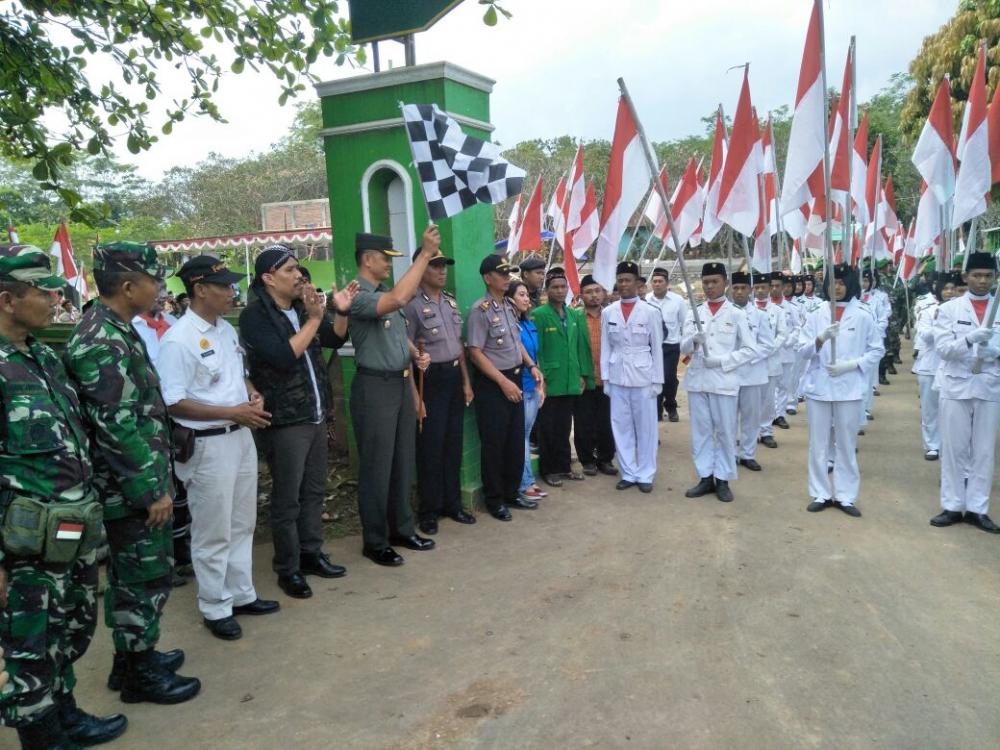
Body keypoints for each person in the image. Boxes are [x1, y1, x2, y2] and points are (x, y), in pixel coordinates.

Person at [0, 248, 129, 748]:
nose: (55, 299)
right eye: (42, 292)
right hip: (24, 545)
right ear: (8, 300)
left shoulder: (42, 357)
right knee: (30, 644)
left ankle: (65, 712)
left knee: (70, 630)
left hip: (70, 531)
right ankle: (40, 733)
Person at [64, 241, 202, 703]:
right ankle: (141, 674)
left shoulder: (117, 329)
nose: (160, 289)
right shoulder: (101, 339)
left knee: (136, 577)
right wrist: (150, 491)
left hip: (136, 482)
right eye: (153, 281)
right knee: (142, 578)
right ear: (128, 287)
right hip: (129, 489)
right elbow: (115, 425)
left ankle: (132, 659)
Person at [158, 256, 279, 640]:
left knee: (243, 521)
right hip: (208, 445)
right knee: (213, 530)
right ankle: (215, 605)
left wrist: (252, 394)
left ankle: (241, 593)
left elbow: (237, 375)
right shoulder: (178, 340)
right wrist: (231, 411)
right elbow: (173, 402)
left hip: (240, 434)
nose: (232, 292)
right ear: (199, 289)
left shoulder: (225, 329)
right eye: (224, 286)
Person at [240, 246, 355, 599]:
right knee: (288, 498)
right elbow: (282, 357)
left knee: (314, 491)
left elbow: (333, 339)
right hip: (286, 421)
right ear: (268, 278)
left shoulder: (300, 312)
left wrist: (339, 313)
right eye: (290, 270)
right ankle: (287, 568)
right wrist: (315, 319)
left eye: (299, 270)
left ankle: (310, 554)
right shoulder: (256, 316)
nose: (298, 276)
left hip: (315, 415)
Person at [349, 230, 438, 565]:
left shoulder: (384, 292)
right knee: (377, 467)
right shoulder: (358, 295)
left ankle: (401, 528)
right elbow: (400, 300)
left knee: (402, 461)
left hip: (400, 385)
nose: (388, 263)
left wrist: (415, 355)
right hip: (374, 388)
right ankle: (375, 540)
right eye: (385, 258)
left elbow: (398, 335)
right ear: (368, 258)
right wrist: (424, 256)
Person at [402, 246, 477, 535]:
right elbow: (405, 354)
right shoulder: (410, 304)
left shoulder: (450, 302)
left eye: (444, 265)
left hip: (453, 378)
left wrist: (466, 382)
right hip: (428, 381)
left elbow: (459, 347)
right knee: (430, 448)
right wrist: (416, 397)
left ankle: (452, 504)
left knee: (452, 444)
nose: (442, 270)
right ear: (421, 269)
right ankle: (429, 510)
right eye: (435, 265)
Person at [799, 264, 884, 517]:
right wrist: (820, 339)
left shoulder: (863, 314)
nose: (836, 287)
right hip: (820, 386)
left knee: (846, 443)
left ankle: (846, 495)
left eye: (841, 283)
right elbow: (801, 349)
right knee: (819, 443)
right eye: (832, 282)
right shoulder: (816, 313)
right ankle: (820, 492)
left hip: (849, 388)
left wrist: (852, 365)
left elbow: (876, 350)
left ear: (850, 284)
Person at [467, 254, 544, 520]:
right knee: (495, 445)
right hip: (493, 384)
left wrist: (531, 365)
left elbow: (515, 342)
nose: (505, 278)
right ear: (488, 278)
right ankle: (495, 499)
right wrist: (502, 383)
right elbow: (475, 352)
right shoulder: (481, 310)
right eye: (501, 274)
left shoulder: (509, 308)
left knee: (514, 442)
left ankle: (512, 493)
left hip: (515, 378)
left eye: (507, 273)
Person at [929, 252, 1000, 534]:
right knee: (954, 449)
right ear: (965, 277)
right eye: (976, 275)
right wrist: (970, 339)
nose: (982, 281)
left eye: (988, 276)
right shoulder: (950, 309)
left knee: (983, 450)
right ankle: (952, 505)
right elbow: (944, 350)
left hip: (989, 385)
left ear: (995, 278)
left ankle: (977, 509)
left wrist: (994, 351)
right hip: (956, 385)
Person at [680, 262, 757, 503]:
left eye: (715, 282)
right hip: (698, 380)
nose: (710, 286)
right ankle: (705, 476)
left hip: (724, 380)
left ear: (726, 283)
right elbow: (681, 347)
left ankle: (722, 479)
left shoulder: (736, 314)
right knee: (701, 432)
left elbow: (750, 350)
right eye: (706, 282)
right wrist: (693, 340)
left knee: (725, 430)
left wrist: (723, 361)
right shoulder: (694, 311)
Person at [601, 261, 663, 493]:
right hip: (617, 376)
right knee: (621, 426)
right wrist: (606, 379)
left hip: (643, 376)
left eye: (628, 280)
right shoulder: (609, 312)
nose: (624, 284)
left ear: (638, 284)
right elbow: (606, 348)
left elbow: (656, 347)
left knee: (646, 428)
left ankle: (646, 473)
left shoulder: (650, 312)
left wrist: (658, 381)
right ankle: (628, 472)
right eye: (620, 280)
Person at [532, 267, 593, 486]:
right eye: (555, 287)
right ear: (547, 290)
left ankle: (565, 466)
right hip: (550, 379)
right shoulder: (539, 315)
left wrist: (582, 373)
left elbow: (579, 347)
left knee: (565, 425)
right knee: (548, 427)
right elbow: (535, 349)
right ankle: (550, 470)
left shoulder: (573, 314)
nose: (559, 291)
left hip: (570, 378)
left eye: (563, 287)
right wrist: (541, 378)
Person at [507, 279, 548, 501]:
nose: (525, 299)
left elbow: (534, 356)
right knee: (521, 436)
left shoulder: (528, 324)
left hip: (533, 386)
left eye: (526, 295)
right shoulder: (510, 325)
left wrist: (541, 384)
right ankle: (525, 484)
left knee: (524, 434)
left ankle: (527, 481)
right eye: (520, 295)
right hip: (519, 386)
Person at [730, 271, 775, 472]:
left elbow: (768, 344)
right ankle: (729, 453)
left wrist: (749, 357)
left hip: (752, 372)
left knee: (751, 416)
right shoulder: (725, 313)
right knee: (728, 417)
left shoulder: (759, 315)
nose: (739, 292)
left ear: (749, 290)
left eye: (743, 288)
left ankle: (748, 454)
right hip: (729, 372)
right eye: (735, 288)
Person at [913, 272, 959, 461]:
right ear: (939, 290)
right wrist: (943, 323)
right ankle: (932, 445)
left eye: (952, 288)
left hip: (953, 366)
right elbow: (924, 335)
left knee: (952, 410)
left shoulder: (962, 310)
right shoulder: (928, 310)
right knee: (930, 408)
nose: (949, 292)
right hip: (929, 366)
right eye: (945, 288)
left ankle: (951, 444)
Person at [574, 275, 617, 476]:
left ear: (604, 293)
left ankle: (606, 458)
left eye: (597, 291)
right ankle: (587, 460)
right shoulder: (575, 317)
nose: (594, 295)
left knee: (607, 421)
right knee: (584, 421)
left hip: (609, 377)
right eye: (589, 292)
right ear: (581, 295)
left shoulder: (612, 315)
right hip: (585, 378)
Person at [645, 267, 686, 422]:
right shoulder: (646, 300)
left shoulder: (678, 300)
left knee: (669, 377)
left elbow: (685, 323)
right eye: (654, 281)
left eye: (660, 281)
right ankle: (657, 408)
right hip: (652, 347)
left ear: (667, 283)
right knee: (654, 378)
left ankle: (671, 405)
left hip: (671, 346)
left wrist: (683, 344)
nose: (657, 284)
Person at [756, 273, 788, 449]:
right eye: (757, 287)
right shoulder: (746, 310)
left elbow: (782, 333)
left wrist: (769, 349)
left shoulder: (778, 311)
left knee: (768, 400)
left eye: (763, 287)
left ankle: (766, 431)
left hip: (770, 360)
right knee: (751, 400)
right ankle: (751, 432)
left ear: (769, 289)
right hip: (752, 361)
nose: (760, 291)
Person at [131, 288, 177, 366]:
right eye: (158, 290)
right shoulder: (132, 331)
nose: (165, 295)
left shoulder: (172, 320)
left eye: (164, 288)